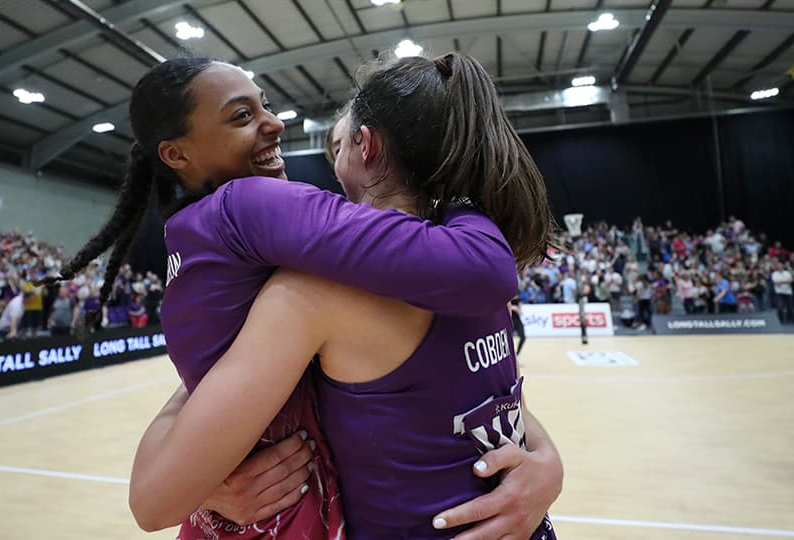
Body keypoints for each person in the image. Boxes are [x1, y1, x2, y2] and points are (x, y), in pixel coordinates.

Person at [45, 55, 561, 539]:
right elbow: (493, 403)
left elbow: (154, 491)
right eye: (244, 114)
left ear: (366, 146)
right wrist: (546, 464)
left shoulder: (316, 287)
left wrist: (204, 489)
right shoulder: (452, 258)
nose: (275, 124)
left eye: (336, 143)